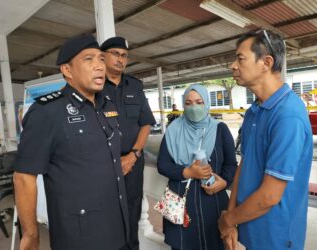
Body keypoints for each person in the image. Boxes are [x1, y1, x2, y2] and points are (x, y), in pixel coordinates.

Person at [13, 34, 129, 250]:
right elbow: (24, 177)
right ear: (67, 70)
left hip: (117, 227)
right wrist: (30, 235)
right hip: (80, 236)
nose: (99, 66)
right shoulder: (47, 112)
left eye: (101, 59)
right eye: (88, 59)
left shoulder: (107, 107)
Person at [218, 30, 313, 250]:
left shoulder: (288, 115)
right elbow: (244, 164)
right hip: (248, 225)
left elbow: (270, 196)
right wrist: (229, 216)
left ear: (266, 62)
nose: (233, 65)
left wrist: (228, 221)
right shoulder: (255, 110)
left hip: (276, 235)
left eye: (240, 59)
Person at [157, 84, 237, 250]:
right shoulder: (173, 130)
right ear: (183, 105)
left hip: (213, 202)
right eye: (188, 103)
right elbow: (162, 165)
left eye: (199, 102)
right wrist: (186, 171)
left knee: (214, 244)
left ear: (206, 103)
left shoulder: (219, 129)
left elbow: (231, 164)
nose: (194, 107)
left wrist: (224, 182)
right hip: (180, 205)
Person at [100, 37, 156, 250]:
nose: (120, 59)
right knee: (105, 210)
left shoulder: (135, 85)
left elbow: (146, 123)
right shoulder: (93, 85)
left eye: (124, 55)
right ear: (102, 56)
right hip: (102, 163)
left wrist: (133, 155)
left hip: (132, 162)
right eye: (115, 53)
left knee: (132, 209)